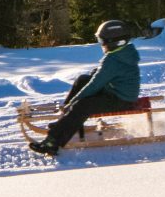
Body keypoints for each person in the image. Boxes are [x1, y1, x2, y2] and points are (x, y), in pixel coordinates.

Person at [30, 20, 144, 156]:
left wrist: (73, 102)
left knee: (83, 104)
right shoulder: (124, 52)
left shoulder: (113, 60)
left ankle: (52, 143)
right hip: (115, 92)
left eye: (102, 41)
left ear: (114, 41)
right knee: (82, 80)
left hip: (121, 100)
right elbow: (103, 75)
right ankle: (65, 120)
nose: (101, 44)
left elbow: (95, 85)